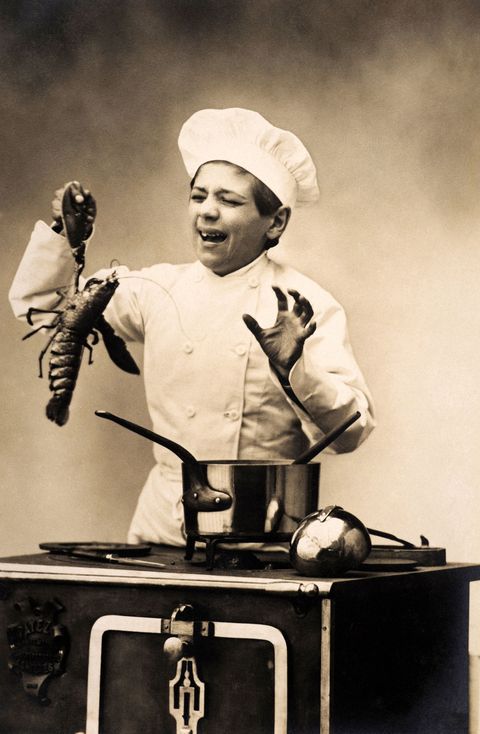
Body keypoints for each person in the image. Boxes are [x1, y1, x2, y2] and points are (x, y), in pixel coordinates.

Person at [9, 107, 375, 546]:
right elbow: (50, 310)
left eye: (230, 201)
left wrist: (295, 367)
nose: (207, 213)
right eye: (198, 196)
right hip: (161, 530)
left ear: (275, 222)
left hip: (263, 537)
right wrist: (66, 238)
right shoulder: (156, 288)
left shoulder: (304, 305)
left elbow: (350, 432)